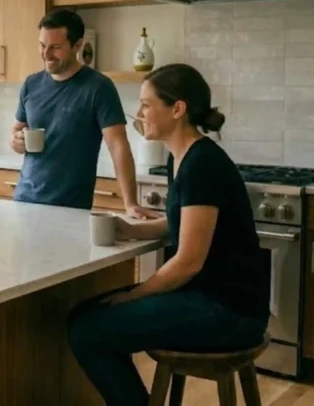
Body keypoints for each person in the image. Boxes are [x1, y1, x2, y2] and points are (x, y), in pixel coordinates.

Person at [65, 63, 270, 406]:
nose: (138, 112)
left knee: (87, 332)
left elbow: (188, 261)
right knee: (82, 315)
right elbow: (182, 223)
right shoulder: (183, 159)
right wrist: (131, 230)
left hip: (229, 311)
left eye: (146, 104)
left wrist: (136, 295)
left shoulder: (202, 164)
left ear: (177, 109)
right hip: (209, 297)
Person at [10, 8, 154, 217]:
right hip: (24, 202)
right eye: (42, 45)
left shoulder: (98, 87)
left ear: (77, 45)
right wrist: (16, 141)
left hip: (72, 208)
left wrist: (130, 203)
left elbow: (118, 146)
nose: (46, 54)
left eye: (55, 47)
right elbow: (17, 130)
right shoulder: (31, 84)